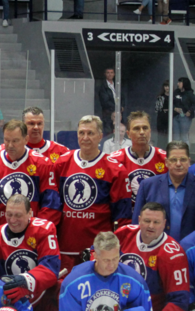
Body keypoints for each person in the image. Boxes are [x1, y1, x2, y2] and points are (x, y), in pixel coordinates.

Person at [54, 115, 131, 275]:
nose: (85, 137)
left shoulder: (114, 169)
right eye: (81, 133)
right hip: (65, 247)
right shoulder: (62, 163)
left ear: (100, 136)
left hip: (98, 251)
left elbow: (122, 216)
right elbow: (53, 205)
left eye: (90, 133)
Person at [117, 203, 189, 311]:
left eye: (156, 222)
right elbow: (97, 250)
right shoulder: (124, 233)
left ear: (164, 224)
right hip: (114, 309)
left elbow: (179, 297)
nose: (151, 226)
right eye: (147, 221)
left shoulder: (172, 255)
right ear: (139, 220)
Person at [0, 119, 60, 227]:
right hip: (0, 233)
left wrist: (37, 229)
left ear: (26, 140)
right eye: (6, 140)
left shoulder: (43, 164)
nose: (10, 145)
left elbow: (51, 204)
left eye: (15, 141)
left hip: (33, 233)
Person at [133, 141, 195, 243]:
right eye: (173, 160)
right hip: (155, 249)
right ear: (166, 162)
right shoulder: (148, 186)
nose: (178, 164)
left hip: (190, 252)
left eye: (183, 159)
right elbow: (136, 223)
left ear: (189, 162)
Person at [108, 111, 166, 208]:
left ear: (150, 131)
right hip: (126, 217)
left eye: (145, 128)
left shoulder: (165, 158)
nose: (142, 132)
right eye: (136, 129)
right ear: (128, 134)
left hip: (155, 218)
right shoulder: (115, 160)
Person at [172, 77, 195, 142]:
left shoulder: (189, 94)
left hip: (185, 116)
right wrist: (174, 108)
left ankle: (186, 151)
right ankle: (176, 151)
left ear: (184, 84)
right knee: (176, 136)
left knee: (183, 136)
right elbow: (170, 102)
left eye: (179, 82)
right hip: (176, 116)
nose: (178, 84)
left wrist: (190, 111)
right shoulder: (176, 92)